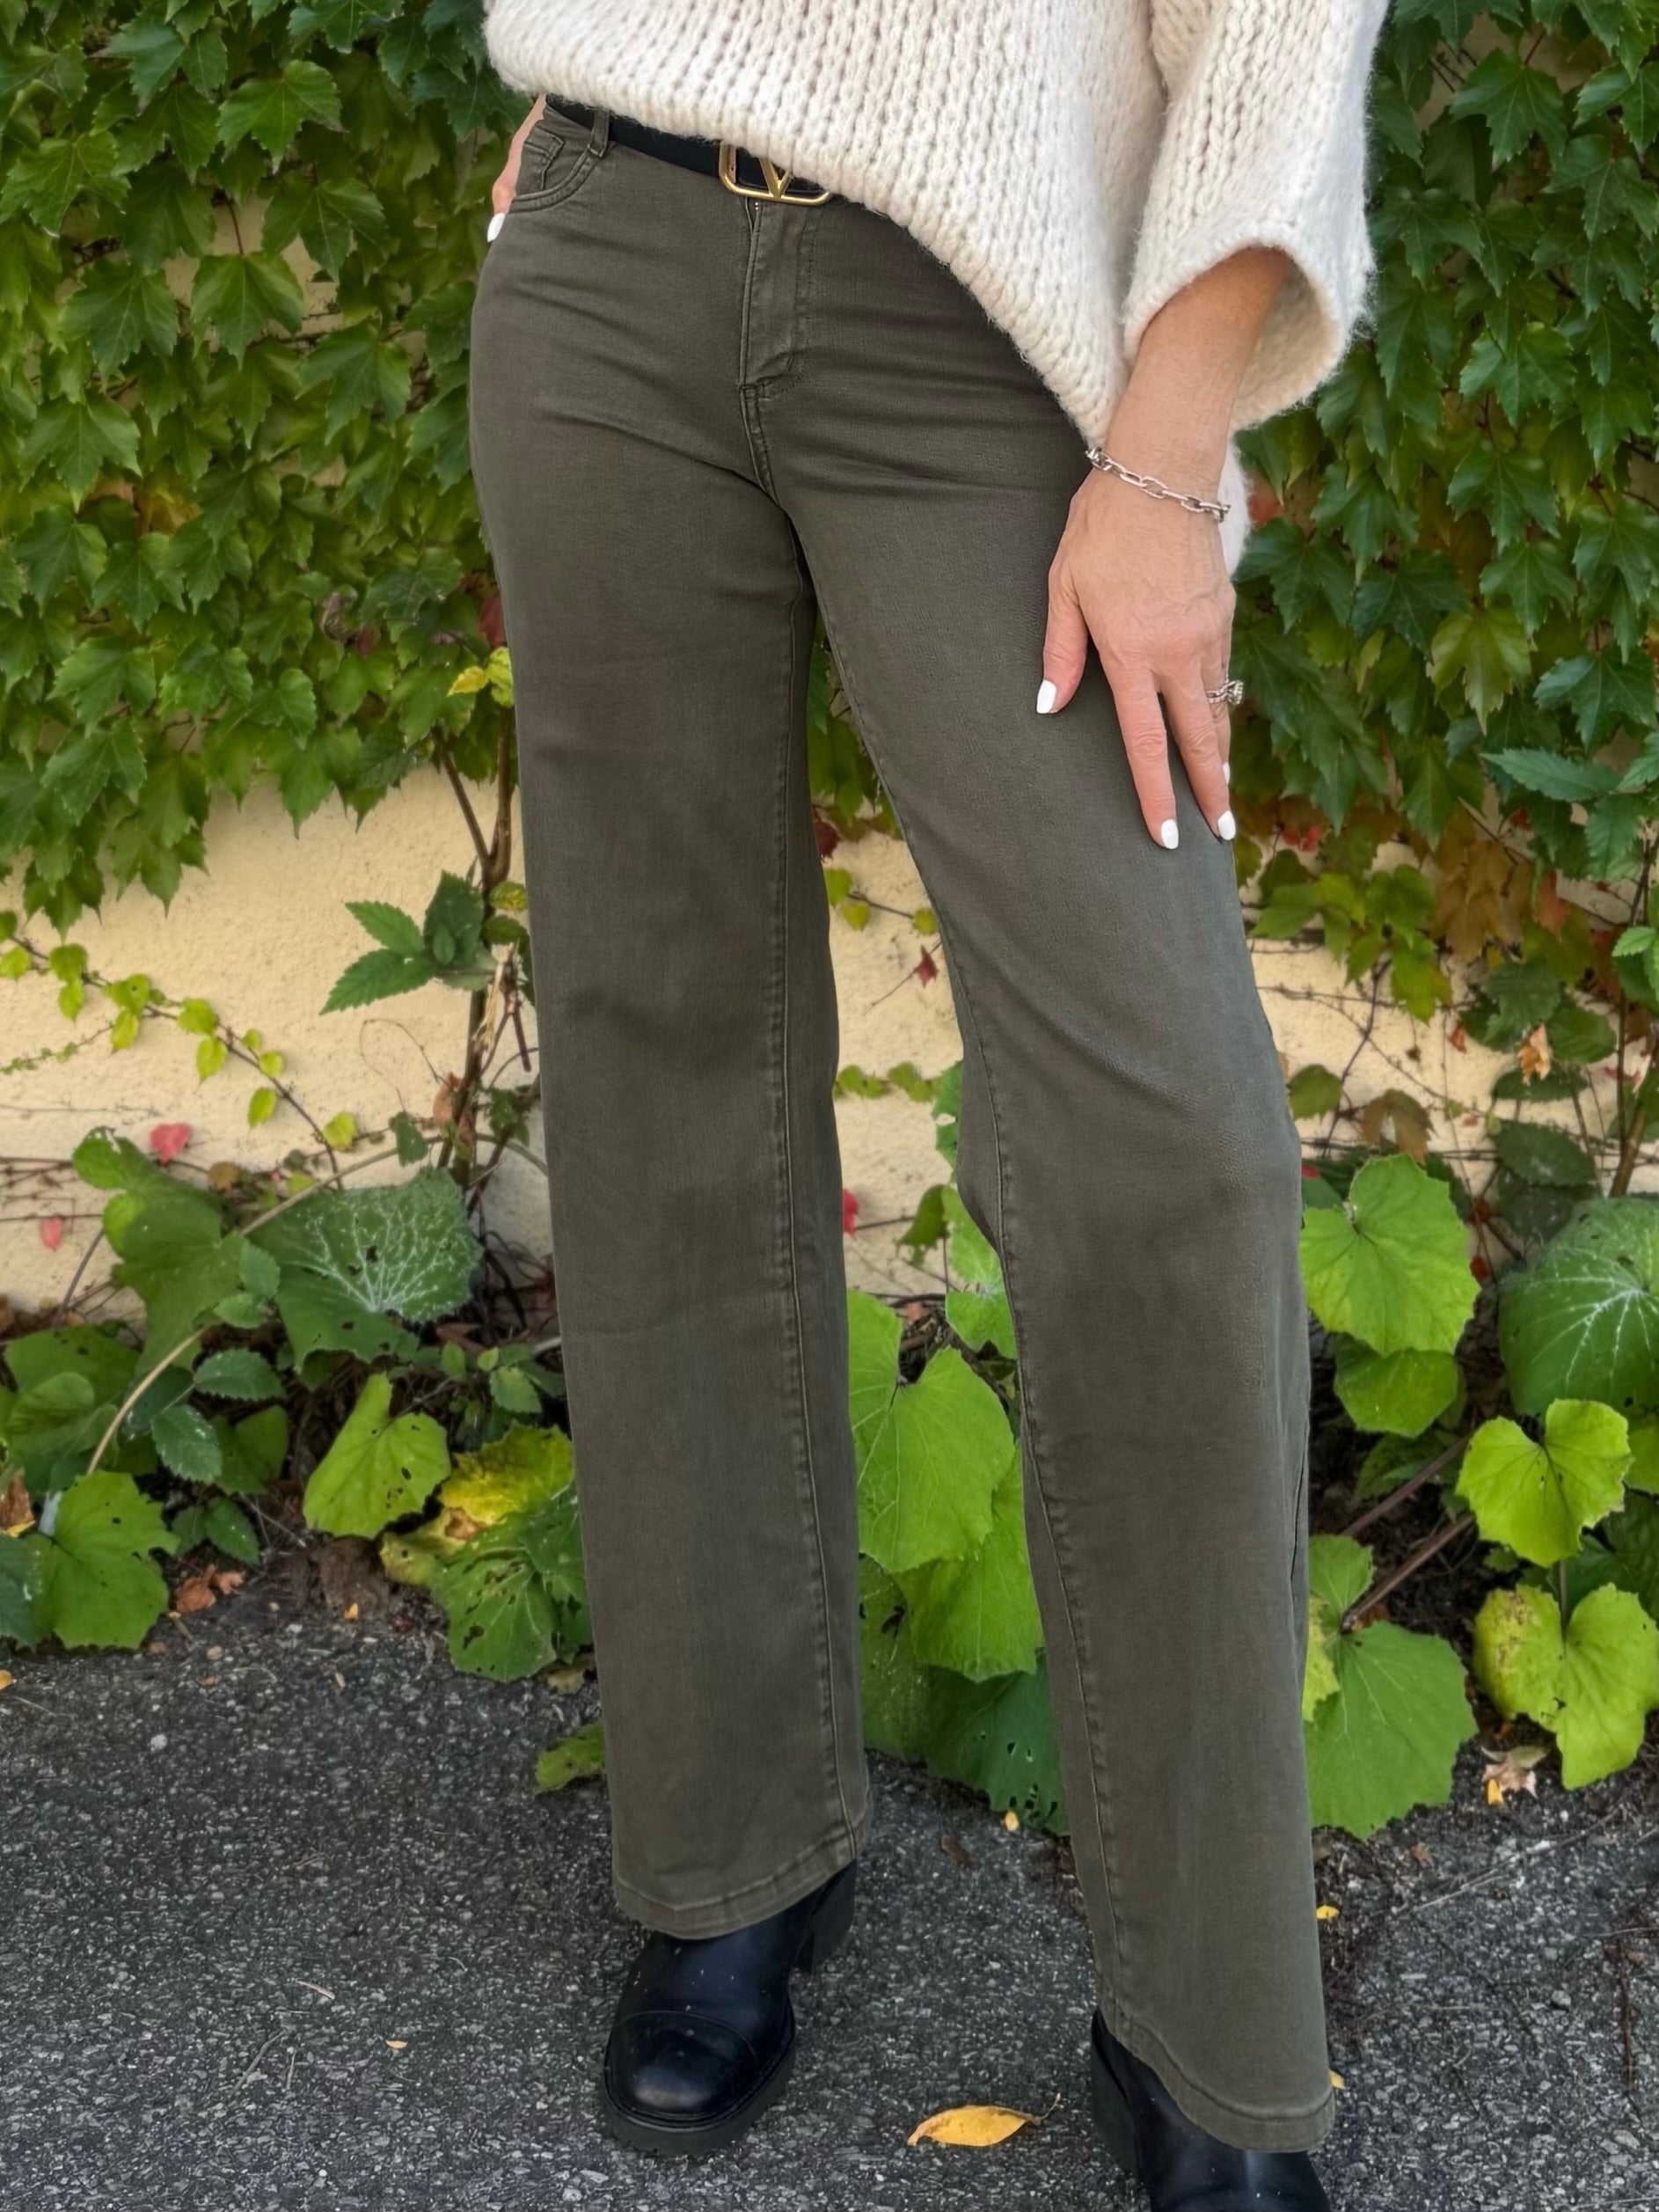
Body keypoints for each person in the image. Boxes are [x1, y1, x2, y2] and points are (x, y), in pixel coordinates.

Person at [467, 4, 1390, 2204]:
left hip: (987, 325)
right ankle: (729, 1858)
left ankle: (1208, 2024)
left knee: (1171, 1152)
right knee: (658, 1061)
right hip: (606, 257)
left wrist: (1162, 457)